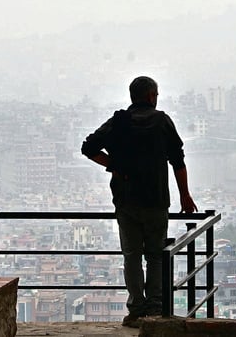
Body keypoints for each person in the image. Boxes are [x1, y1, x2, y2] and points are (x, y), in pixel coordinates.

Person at [81, 76, 198, 327]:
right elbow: (177, 161)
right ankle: (154, 310)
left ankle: (136, 310)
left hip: (126, 200)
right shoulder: (162, 122)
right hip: (156, 198)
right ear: (150, 96)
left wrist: (114, 165)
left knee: (132, 256)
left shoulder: (119, 122)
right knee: (155, 256)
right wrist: (185, 195)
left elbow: (88, 148)